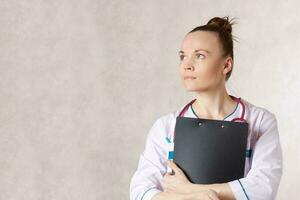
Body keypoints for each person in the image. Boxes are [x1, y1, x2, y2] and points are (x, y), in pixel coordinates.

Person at [129, 16, 283, 200]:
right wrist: (193, 198)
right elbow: (140, 192)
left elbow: (263, 188)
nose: (187, 65)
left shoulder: (260, 121)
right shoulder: (165, 127)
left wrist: (186, 189)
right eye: (182, 56)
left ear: (226, 64)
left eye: (199, 55)